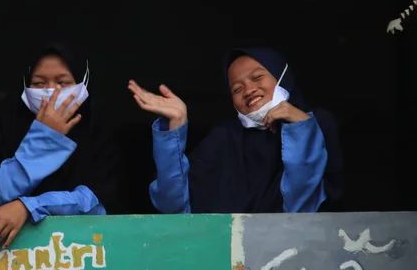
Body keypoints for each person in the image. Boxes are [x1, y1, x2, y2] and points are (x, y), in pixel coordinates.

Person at [127, 47, 343, 214]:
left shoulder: (315, 123)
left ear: (282, 76)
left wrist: (299, 127)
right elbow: (172, 205)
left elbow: (301, 205)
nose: (249, 90)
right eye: (237, 89)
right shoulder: (225, 138)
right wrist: (175, 125)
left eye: (258, 77)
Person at [0, 43, 122, 250]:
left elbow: (97, 202)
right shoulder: (3, 124)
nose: (51, 91)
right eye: (39, 83)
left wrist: (28, 207)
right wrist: (44, 139)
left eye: (63, 82)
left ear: (83, 82)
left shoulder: (97, 130)